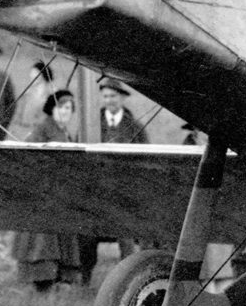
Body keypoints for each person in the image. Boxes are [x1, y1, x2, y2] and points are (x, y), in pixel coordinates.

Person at [79, 76, 150, 286]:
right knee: (86, 238)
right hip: (96, 192)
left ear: (122, 99)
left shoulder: (134, 127)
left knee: (126, 239)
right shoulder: (91, 123)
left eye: (113, 96)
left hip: (123, 193)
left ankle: (128, 283)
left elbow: (146, 160)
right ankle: (84, 280)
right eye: (106, 96)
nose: (109, 100)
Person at [10, 90, 81, 291]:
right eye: (61, 107)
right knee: (42, 238)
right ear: (52, 109)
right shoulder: (42, 129)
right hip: (41, 192)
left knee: (62, 234)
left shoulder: (64, 131)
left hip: (60, 192)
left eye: (69, 108)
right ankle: (42, 280)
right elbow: (28, 156)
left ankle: (62, 277)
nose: (65, 112)